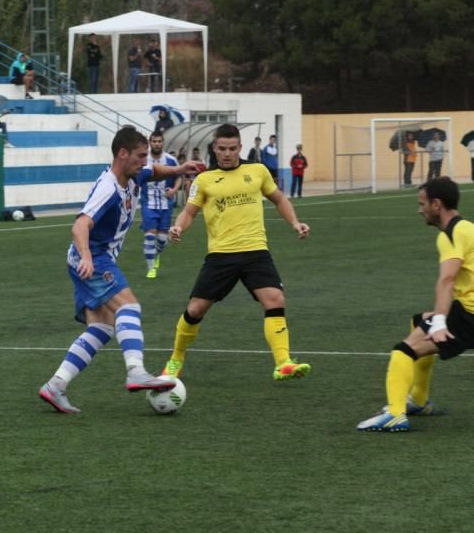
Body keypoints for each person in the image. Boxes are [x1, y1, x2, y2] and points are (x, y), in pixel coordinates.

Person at [38, 126, 194, 414]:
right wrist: (86, 257)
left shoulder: (133, 176)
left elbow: (153, 172)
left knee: (102, 327)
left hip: (92, 258)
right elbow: (80, 224)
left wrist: (180, 168)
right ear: (122, 154)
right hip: (94, 258)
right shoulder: (108, 187)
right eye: (140, 156)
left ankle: (55, 385)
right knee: (130, 307)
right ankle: (135, 370)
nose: (145, 162)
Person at [160, 124, 312, 383]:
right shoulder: (204, 180)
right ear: (214, 149)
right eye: (222, 149)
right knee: (195, 309)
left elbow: (279, 199)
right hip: (221, 255)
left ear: (240, 148)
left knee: (275, 299)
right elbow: (188, 212)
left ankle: (283, 362)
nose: (227, 153)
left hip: (255, 251)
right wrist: (178, 227)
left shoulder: (257, 171)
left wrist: (295, 223)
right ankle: (175, 359)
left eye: (232, 148)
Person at [356, 178, 466, 432]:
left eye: (422, 204)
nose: (420, 210)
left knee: (403, 351)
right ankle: (418, 399)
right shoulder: (467, 228)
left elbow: (447, 279)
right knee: (419, 321)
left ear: (436, 205)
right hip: (467, 309)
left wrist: (439, 323)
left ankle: (395, 414)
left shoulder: (450, 235)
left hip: (469, 314)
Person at [140, 131, 179, 279]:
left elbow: (179, 176)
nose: (156, 144)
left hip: (165, 205)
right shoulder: (144, 160)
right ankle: (151, 269)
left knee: (162, 239)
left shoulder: (171, 160)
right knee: (150, 236)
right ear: (150, 143)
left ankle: (156, 255)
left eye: (159, 141)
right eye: (154, 141)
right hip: (148, 203)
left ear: (163, 143)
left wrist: (174, 190)